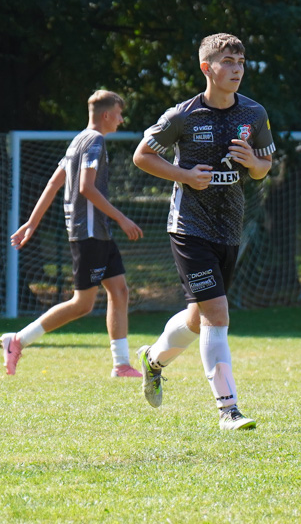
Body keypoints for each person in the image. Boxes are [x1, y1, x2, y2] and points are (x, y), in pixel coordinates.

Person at [132, 33, 275, 430]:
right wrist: (183, 176)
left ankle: (153, 360)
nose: (237, 69)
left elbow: (265, 167)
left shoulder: (254, 113)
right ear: (207, 68)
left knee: (199, 318)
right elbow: (141, 155)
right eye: (228, 61)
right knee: (217, 313)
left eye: (241, 62)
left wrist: (253, 163)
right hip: (189, 228)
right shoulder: (183, 115)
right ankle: (228, 410)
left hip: (230, 230)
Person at [3, 90, 144, 377]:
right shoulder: (94, 142)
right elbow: (86, 188)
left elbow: (55, 184)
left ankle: (121, 364)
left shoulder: (78, 140)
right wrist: (122, 218)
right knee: (82, 304)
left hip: (98, 233)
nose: (121, 119)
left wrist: (31, 223)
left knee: (119, 291)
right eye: (118, 113)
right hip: (89, 233)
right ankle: (17, 340)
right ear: (106, 115)